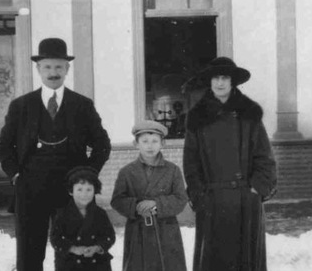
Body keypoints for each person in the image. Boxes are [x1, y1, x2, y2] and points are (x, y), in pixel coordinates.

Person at [0, 37, 112, 271]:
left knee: (71, 249)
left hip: (70, 193)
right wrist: (17, 175)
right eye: (47, 66)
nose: (53, 72)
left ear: (67, 69)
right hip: (30, 190)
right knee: (29, 253)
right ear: (38, 69)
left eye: (59, 66)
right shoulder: (21, 106)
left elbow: (102, 145)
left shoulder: (82, 105)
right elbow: (4, 147)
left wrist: (87, 176)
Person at [183, 57, 277, 271]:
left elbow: (265, 156)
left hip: (245, 198)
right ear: (209, 81)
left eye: (225, 77)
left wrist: (257, 188)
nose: (220, 83)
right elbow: (191, 162)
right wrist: (199, 194)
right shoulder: (197, 116)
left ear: (233, 81)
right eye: (216, 77)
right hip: (212, 200)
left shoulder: (249, 113)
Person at [111, 120, 188, 271]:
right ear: (136, 144)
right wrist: (136, 206)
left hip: (166, 230)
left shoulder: (173, 170)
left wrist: (156, 204)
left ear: (162, 144)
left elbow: (181, 199)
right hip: (137, 230)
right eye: (145, 141)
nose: (150, 146)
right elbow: (117, 200)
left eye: (154, 141)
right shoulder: (127, 172)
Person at [50, 166, 116, 271]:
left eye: (89, 190)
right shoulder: (62, 214)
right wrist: (73, 249)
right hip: (70, 263)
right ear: (71, 191)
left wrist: (97, 248)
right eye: (79, 189)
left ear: (95, 191)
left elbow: (109, 236)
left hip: (97, 263)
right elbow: (55, 239)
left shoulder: (100, 213)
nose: (84, 194)